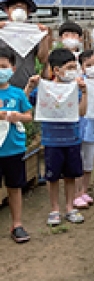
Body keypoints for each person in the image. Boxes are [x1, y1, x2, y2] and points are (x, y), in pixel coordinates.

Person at [25, 48, 88, 226]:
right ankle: (54, 209)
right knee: (52, 177)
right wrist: (30, 86)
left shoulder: (76, 89)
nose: (73, 71)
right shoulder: (44, 88)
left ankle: (70, 207)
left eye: (75, 67)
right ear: (56, 70)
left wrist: (85, 93)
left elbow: (82, 112)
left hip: (73, 139)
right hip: (52, 140)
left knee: (70, 176)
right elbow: (24, 103)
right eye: (69, 67)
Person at [0, 47, 33, 242]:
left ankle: (17, 224)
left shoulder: (17, 94)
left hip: (13, 148)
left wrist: (17, 116)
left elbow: (28, 116)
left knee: (15, 187)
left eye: (3, 66)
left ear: (12, 69)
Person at [73, 50, 94, 209]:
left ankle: (84, 190)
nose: (93, 67)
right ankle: (76, 194)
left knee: (88, 163)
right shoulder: (78, 83)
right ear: (82, 68)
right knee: (77, 161)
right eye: (88, 65)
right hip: (79, 126)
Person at [0, 0, 50, 88]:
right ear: (7, 10)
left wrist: (44, 37)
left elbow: (43, 60)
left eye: (22, 8)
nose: (19, 11)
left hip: (28, 86)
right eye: (15, 7)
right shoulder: (2, 31)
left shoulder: (34, 33)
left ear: (28, 12)